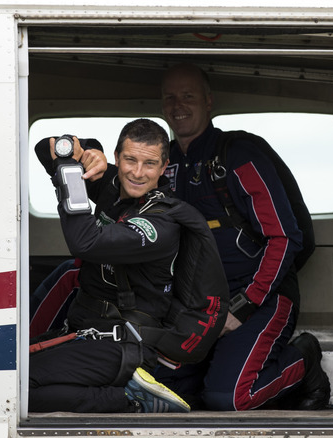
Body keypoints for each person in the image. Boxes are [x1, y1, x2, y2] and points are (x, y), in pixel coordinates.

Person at [156, 63, 330, 411]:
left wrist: (245, 304)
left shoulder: (238, 155)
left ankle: (305, 358)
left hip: (262, 297)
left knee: (229, 399)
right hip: (201, 304)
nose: (178, 105)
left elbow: (284, 238)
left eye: (188, 96)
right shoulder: (162, 164)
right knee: (168, 395)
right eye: (170, 97)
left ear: (209, 101)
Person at [29, 118, 195, 413]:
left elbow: (86, 243)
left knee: (17, 388)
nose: (138, 173)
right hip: (88, 334)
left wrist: (70, 175)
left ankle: (129, 400)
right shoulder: (113, 184)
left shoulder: (161, 221)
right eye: (130, 160)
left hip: (125, 346)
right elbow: (46, 148)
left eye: (150, 164)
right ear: (117, 157)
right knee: (12, 374)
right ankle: (116, 392)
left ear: (163, 167)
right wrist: (86, 153)